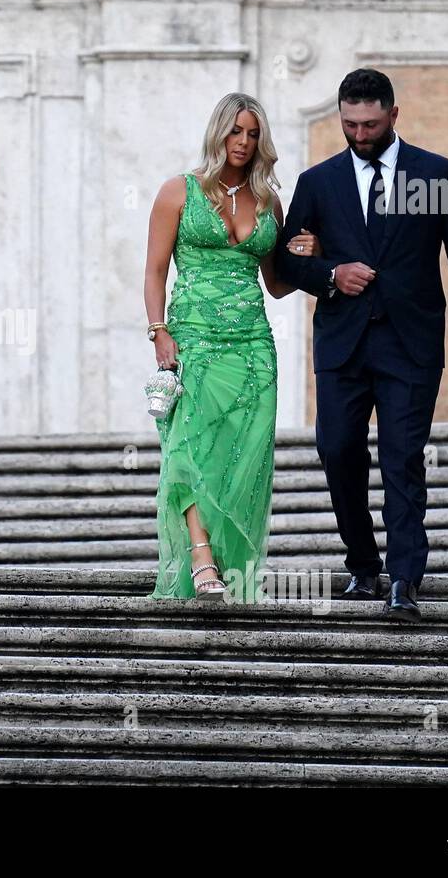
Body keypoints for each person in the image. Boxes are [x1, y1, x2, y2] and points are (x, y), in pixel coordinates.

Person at [273, 68, 448, 621]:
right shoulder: (317, 182)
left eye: (370, 123)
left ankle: (404, 580)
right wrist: (331, 274)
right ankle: (363, 565)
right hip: (342, 345)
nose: (359, 133)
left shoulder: (435, 173)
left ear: (393, 115)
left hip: (411, 345)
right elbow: (286, 261)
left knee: (402, 458)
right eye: (350, 123)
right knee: (337, 449)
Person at [144, 92, 321, 603]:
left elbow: (278, 284)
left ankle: (230, 566)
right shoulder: (178, 192)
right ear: (218, 132)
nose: (243, 142)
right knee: (188, 448)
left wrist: (308, 254)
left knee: (245, 458)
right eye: (235, 131)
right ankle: (201, 560)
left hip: (252, 346)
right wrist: (159, 331)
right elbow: (155, 270)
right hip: (193, 337)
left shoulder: (268, 201)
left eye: (252, 134)